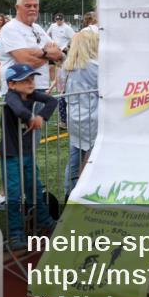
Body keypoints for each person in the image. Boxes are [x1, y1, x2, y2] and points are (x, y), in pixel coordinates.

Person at [2, 63, 59, 250]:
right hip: (11, 154)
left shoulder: (32, 94)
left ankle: (46, 221)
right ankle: (16, 233)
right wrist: (30, 118)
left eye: (32, 79)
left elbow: (52, 102)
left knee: (35, 188)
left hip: (27, 153)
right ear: (12, 84)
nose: (30, 83)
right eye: (25, 80)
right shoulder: (10, 96)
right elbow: (18, 109)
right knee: (14, 194)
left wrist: (41, 117)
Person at [0, 0, 64, 97]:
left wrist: (39, 53)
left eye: (35, 6)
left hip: (41, 87)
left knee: (40, 114)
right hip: (18, 90)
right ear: (17, 7)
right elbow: (26, 62)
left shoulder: (38, 28)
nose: (33, 9)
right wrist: (46, 53)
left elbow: (57, 53)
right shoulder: (10, 28)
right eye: (28, 6)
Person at [61, 29, 98, 199]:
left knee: (74, 158)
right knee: (92, 161)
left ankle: (70, 193)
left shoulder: (67, 67)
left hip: (74, 118)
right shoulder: (94, 67)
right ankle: (85, 195)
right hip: (93, 119)